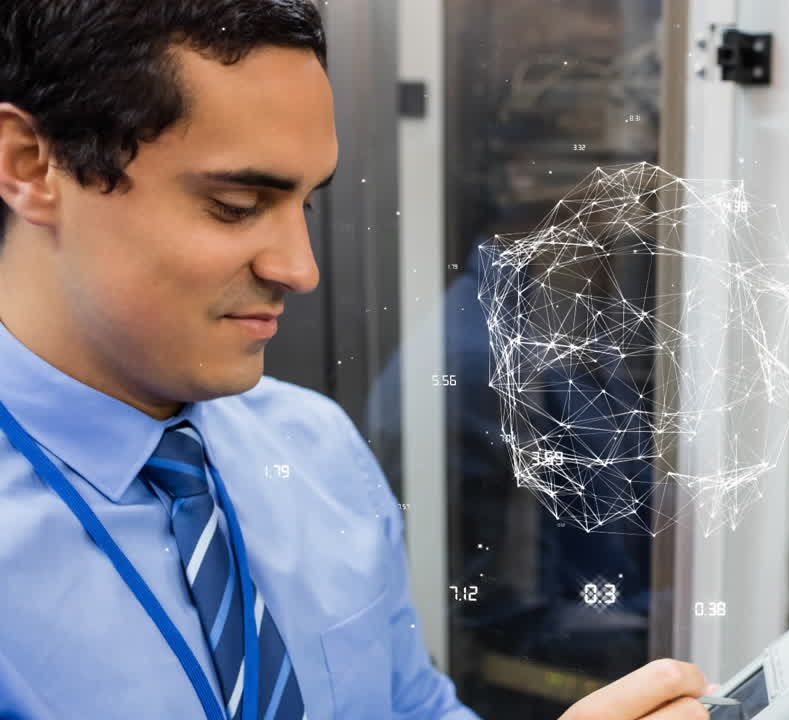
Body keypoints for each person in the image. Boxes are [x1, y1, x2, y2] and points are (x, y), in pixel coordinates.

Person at [0, 1, 712, 719]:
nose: (299, 269)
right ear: (30, 165)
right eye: (236, 204)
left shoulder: (315, 449)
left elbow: (416, 708)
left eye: (307, 206)